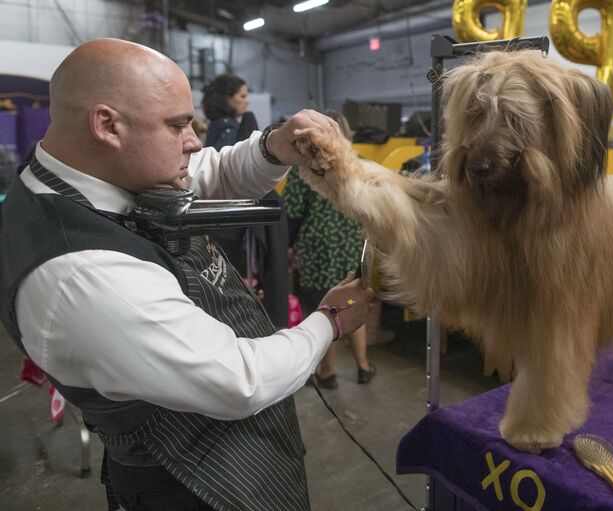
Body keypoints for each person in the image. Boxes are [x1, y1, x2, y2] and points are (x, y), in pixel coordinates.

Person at [0, 38, 373, 511]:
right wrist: (330, 321)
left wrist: (275, 147)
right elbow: (242, 379)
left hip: (230, 449)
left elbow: (206, 170)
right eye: (177, 126)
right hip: (189, 482)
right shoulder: (80, 273)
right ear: (107, 125)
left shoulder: (90, 171)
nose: (195, 140)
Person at [284, 110, 376, 389]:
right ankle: (363, 367)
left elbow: (292, 210)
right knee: (353, 301)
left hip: (318, 245)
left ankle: (327, 372)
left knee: (325, 308)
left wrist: (288, 246)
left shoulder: (306, 169)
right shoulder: (360, 164)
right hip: (352, 241)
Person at [202, 74, 290, 327]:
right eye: (242, 97)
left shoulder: (216, 129)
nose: (246, 103)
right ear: (227, 99)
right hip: (233, 230)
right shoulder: (231, 132)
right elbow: (232, 176)